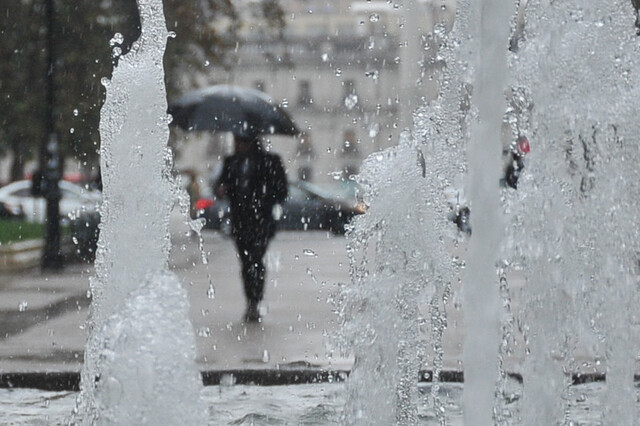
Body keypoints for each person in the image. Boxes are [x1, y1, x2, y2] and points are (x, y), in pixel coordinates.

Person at [215, 134, 288, 323]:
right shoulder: (231, 162)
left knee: (256, 260)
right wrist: (221, 190)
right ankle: (250, 300)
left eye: (240, 140)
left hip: (262, 222)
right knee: (246, 263)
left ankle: (256, 301)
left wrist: (261, 199)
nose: (237, 144)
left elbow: (282, 190)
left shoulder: (270, 161)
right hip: (240, 222)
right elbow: (221, 185)